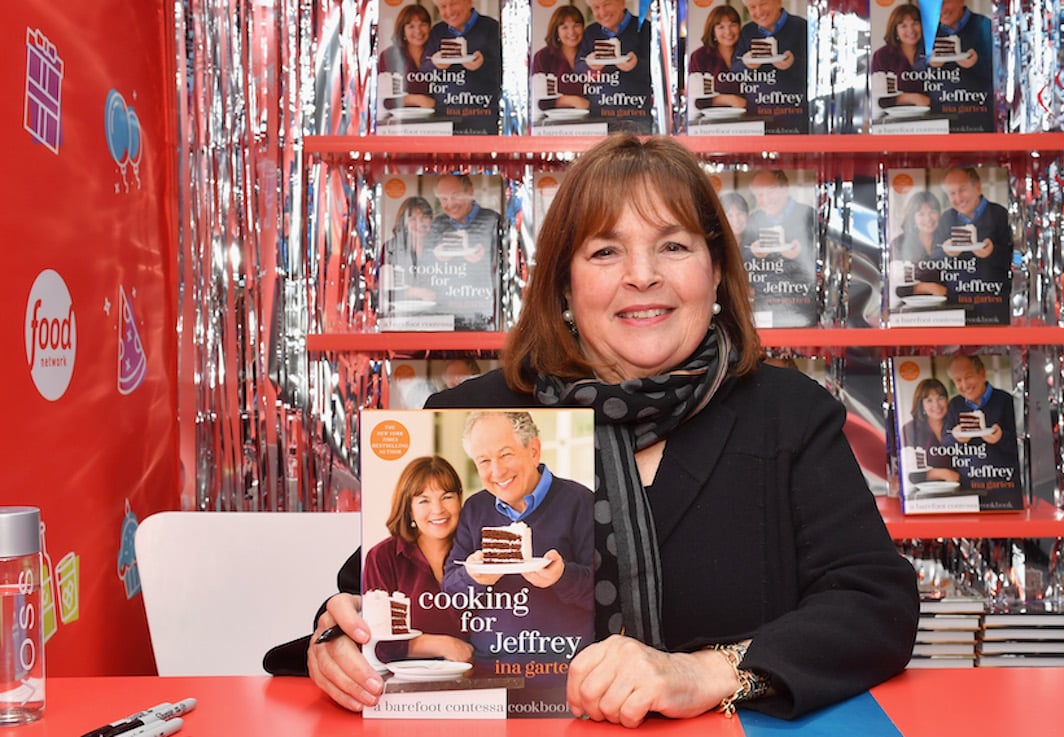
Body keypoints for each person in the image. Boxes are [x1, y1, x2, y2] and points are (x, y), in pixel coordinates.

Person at [307, 135, 918, 724]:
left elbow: (874, 605)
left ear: (715, 273)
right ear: (564, 285)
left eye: (674, 246)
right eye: (605, 251)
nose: (643, 275)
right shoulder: (475, 415)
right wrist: (337, 638)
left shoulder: (789, 413)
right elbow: (370, 594)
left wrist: (710, 673)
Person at [441, 411, 594, 655]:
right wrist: (472, 577)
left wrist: (562, 576)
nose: (497, 471)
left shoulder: (581, 502)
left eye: (505, 455)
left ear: (534, 451)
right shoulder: (474, 509)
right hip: (489, 667)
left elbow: (608, 593)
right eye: (483, 461)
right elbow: (450, 595)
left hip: (562, 667)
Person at [361, 455, 474, 663]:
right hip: (407, 685)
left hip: (482, 680)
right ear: (409, 508)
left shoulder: (477, 554)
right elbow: (379, 643)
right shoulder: (383, 557)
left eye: (447, 497)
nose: (438, 509)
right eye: (424, 500)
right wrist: (444, 645)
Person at [933, 166, 1012, 322]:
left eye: (962, 190)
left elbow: (1016, 259)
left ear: (977, 187)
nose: (958, 198)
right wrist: (946, 252)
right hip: (954, 308)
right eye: (952, 193)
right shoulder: (946, 219)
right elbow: (932, 260)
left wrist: (993, 252)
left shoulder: (1000, 215)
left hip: (994, 307)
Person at [942, 354, 1022, 507]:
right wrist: (956, 438)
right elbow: (944, 443)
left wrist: (1001, 438)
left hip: (1004, 489)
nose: (964, 385)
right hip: (967, 490)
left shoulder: (1006, 400)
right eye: (958, 380)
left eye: (969, 376)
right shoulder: (955, 405)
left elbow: (1021, 445)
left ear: (982, 373)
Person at [740, 169, 817, 326]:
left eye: (771, 192)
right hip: (763, 307)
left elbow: (826, 259)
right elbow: (740, 259)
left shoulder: (809, 215)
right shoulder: (754, 220)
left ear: (786, 188)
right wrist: (753, 253)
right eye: (759, 195)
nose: (765, 199)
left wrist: (802, 253)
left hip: (802, 306)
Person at [426, 174, 501, 328]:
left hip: (485, 314)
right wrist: (435, 258)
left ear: (470, 192)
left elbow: (506, 266)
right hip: (443, 315)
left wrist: (486, 256)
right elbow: (421, 270)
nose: (450, 204)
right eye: (444, 198)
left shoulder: (493, 220)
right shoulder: (437, 224)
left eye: (455, 196)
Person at [425, 0, 502, 133]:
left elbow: (504, 71)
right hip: (445, 117)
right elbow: (422, 70)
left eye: (454, 3)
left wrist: (483, 63)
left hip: (482, 115)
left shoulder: (492, 28)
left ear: (469, 2)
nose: (449, 11)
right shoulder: (437, 31)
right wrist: (435, 64)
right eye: (443, 6)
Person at [733, 0, 808, 133]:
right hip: (756, 119)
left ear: (778, 2)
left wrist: (793, 64)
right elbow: (734, 72)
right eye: (752, 7)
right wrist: (746, 64)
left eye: (763, 4)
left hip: (794, 118)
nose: (759, 11)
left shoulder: (802, 27)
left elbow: (818, 72)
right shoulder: (747, 31)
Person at [580, 0, 653, 133]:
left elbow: (659, 73)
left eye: (607, 4)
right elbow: (576, 71)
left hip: (637, 116)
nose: (602, 12)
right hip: (599, 117)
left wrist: (636, 65)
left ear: (622, 3)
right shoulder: (590, 32)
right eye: (596, 7)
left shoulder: (644, 28)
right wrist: (589, 66)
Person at [933, 0, 994, 131]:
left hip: (979, 120)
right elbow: (914, 69)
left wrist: (977, 62)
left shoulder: (984, 26)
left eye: (945, 2)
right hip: (939, 121)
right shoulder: (929, 30)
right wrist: (930, 64)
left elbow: (1002, 73)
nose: (940, 9)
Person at [687, 4, 748, 112]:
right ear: (713, 31)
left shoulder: (749, 54)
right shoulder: (700, 57)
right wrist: (730, 100)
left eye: (733, 25)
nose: (728, 32)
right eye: (721, 27)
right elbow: (698, 100)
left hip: (751, 118)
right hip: (713, 122)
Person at [870, 3, 931, 109]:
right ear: (895, 30)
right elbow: (881, 99)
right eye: (903, 26)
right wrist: (912, 98)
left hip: (936, 116)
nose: (911, 30)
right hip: (895, 120)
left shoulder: (934, 51)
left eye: (915, 23)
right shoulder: (882, 55)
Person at [890, 189, 948, 300]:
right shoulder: (899, 244)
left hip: (951, 307)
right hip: (911, 311)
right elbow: (897, 287)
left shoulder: (949, 241)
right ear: (913, 218)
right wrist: (929, 287)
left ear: (939, 214)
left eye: (932, 212)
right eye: (921, 214)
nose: (928, 218)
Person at [532, 4, 591, 113]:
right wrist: (573, 100)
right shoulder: (543, 57)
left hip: (594, 119)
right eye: (564, 27)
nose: (572, 32)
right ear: (556, 31)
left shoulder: (593, 55)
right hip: (555, 123)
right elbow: (541, 101)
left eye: (576, 25)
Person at [377, 4, 437, 110]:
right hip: (400, 122)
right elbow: (387, 100)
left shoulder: (439, 54)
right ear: (403, 30)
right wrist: (417, 99)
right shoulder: (389, 56)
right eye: (411, 26)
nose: (418, 31)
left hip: (440, 119)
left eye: (423, 24)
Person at [900, 378, 959, 483]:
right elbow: (910, 473)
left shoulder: (958, 424)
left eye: (940, 398)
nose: (936, 405)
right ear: (921, 405)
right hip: (926, 493)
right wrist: (943, 473)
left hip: (964, 489)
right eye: (929, 400)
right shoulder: (910, 430)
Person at [381, 195, 438, 303]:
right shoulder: (391, 248)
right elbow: (382, 288)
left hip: (436, 313)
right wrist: (415, 292)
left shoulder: (440, 248)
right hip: (400, 313)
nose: (420, 223)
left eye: (424, 217)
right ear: (403, 222)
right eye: (412, 219)